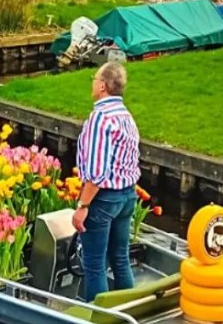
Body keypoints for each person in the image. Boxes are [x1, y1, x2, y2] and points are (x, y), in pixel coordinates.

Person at [71, 61, 141, 302]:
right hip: (127, 195)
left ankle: (98, 317)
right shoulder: (126, 116)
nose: (92, 82)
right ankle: (128, 310)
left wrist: (82, 207)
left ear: (102, 85)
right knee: (120, 258)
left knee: (94, 264)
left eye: (94, 78)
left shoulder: (101, 118)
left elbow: (97, 173)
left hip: (103, 200)